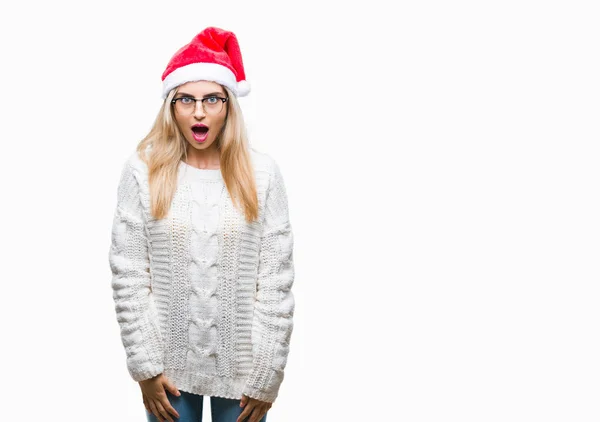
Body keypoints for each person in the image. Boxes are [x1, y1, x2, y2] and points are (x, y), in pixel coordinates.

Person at [108, 26, 295, 422]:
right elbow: (128, 276)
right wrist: (145, 368)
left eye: (212, 99)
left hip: (244, 373)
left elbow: (276, 283)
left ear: (228, 105)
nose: (198, 112)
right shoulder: (143, 171)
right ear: (171, 106)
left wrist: (267, 374)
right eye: (186, 100)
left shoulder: (263, 175)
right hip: (168, 371)